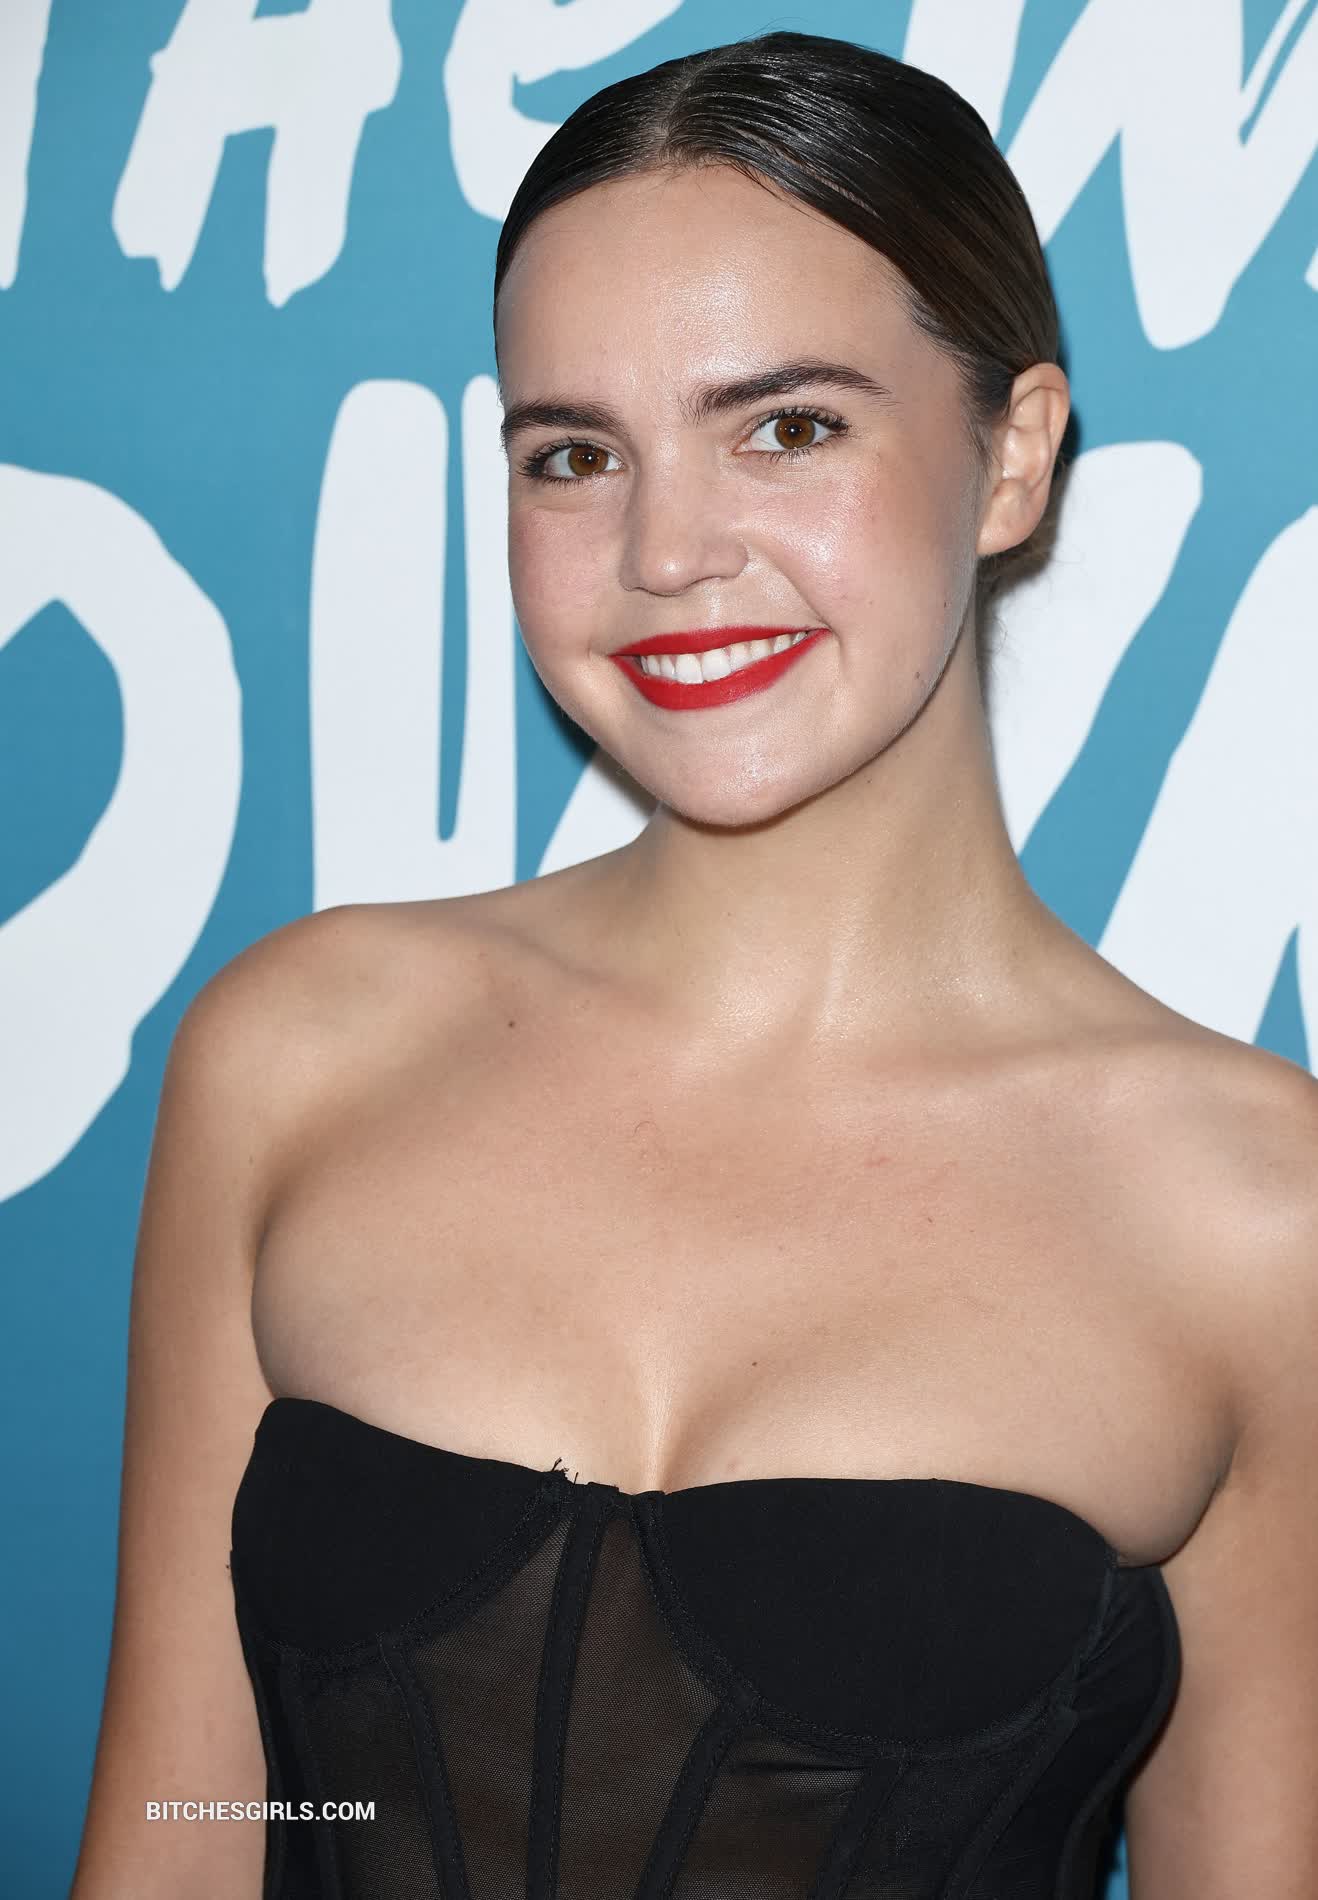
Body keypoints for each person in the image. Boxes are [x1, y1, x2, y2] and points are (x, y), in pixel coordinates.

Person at [72, 29, 1317, 1900]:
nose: (663, 551)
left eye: (786, 427)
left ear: (1010, 456)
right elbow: (183, 1840)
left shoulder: (1258, 1213)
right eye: (574, 455)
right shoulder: (300, 1050)